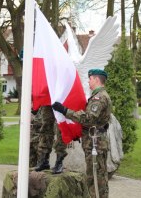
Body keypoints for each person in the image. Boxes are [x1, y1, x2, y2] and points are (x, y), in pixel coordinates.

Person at [52, 69, 111, 198]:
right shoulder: (99, 95)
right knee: (96, 175)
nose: (88, 82)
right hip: (94, 140)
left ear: (96, 79)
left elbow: (88, 119)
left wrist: (65, 110)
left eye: (90, 79)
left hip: (96, 144)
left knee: (95, 177)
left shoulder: (99, 97)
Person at [34, 105, 68, 174]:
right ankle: (44, 160)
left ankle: (59, 161)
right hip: (47, 99)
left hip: (60, 98)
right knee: (46, 126)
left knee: (60, 127)